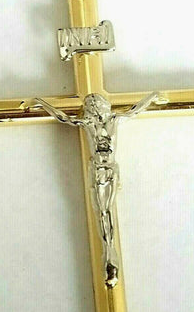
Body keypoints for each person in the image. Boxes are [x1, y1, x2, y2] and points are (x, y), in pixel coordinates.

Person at [36, 92, 159, 288]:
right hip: (98, 171)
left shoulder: (114, 120)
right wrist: (42, 103)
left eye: (96, 104)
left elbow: (135, 110)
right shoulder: (88, 123)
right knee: (102, 212)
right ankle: (108, 253)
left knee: (107, 211)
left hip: (111, 170)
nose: (94, 108)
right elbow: (63, 118)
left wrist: (152, 97)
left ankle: (109, 253)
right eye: (91, 105)